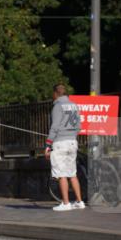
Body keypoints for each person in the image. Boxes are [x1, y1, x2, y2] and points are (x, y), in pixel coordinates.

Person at [46, 83, 84, 211]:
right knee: (72, 173)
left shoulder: (57, 106)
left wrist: (48, 144)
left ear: (56, 93)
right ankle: (79, 201)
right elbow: (79, 126)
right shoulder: (73, 105)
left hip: (60, 143)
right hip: (72, 141)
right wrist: (70, 134)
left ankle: (66, 203)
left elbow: (55, 126)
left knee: (61, 174)